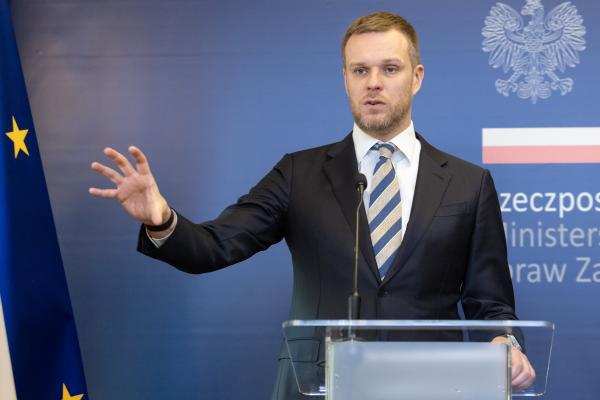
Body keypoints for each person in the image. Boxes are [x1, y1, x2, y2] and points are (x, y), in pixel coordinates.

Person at [90, 11, 535, 399]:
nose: (374, 83)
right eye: (359, 70)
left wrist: (506, 344)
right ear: (344, 79)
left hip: (430, 387)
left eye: (390, 68)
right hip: (320, 389)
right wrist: (162, 219)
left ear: (417, 77)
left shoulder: (468, 183)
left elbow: (491, 303)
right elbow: (215, 245)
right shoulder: (299, 173)